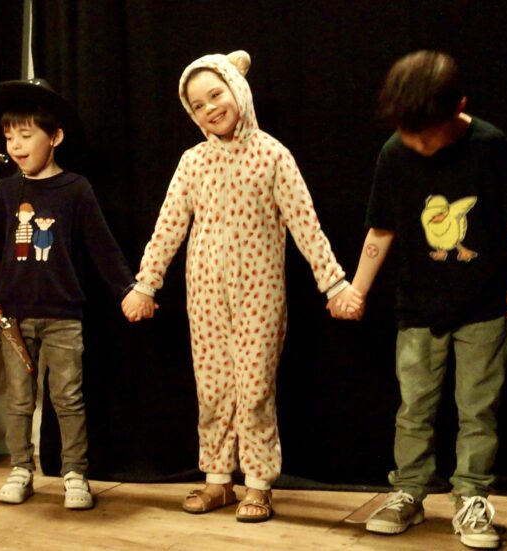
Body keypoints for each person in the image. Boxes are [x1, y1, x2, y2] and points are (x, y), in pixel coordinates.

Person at [123, 51, 361, 522]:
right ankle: (217, 481)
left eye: (217, 94)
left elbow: (304, 225)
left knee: (253, 389)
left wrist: (333, 284)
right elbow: (168, 227)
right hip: (205, 295)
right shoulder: (192, 162)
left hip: (260, 295)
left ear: (238, 90)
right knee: (212, 390)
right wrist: (146, 284)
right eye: (198, 104)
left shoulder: (273, 155)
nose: (210, 107)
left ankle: (257, 484)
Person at [340, 51, 507, 550]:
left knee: (477, 408)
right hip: (418, 306)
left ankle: (471, 496)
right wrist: (357, 287)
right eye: (409, 132)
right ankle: (409, 491)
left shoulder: (490, 146)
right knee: (414, 407)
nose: (419, 144)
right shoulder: (393, 153)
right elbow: (381, 228)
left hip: (484, 303)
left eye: (428, 132)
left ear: (459, 108)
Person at [0, 78, 136, 510]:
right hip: (13, 315)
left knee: (67, 397)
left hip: (64, 315)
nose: (15, 144)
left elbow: (102, 246)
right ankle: (19, 469)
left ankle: (74, 473)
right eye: (9, 136)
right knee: (18, 399)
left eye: (26, 135)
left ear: (55, 137)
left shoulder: (76, 190)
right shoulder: (4, 191)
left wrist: (128, 289)